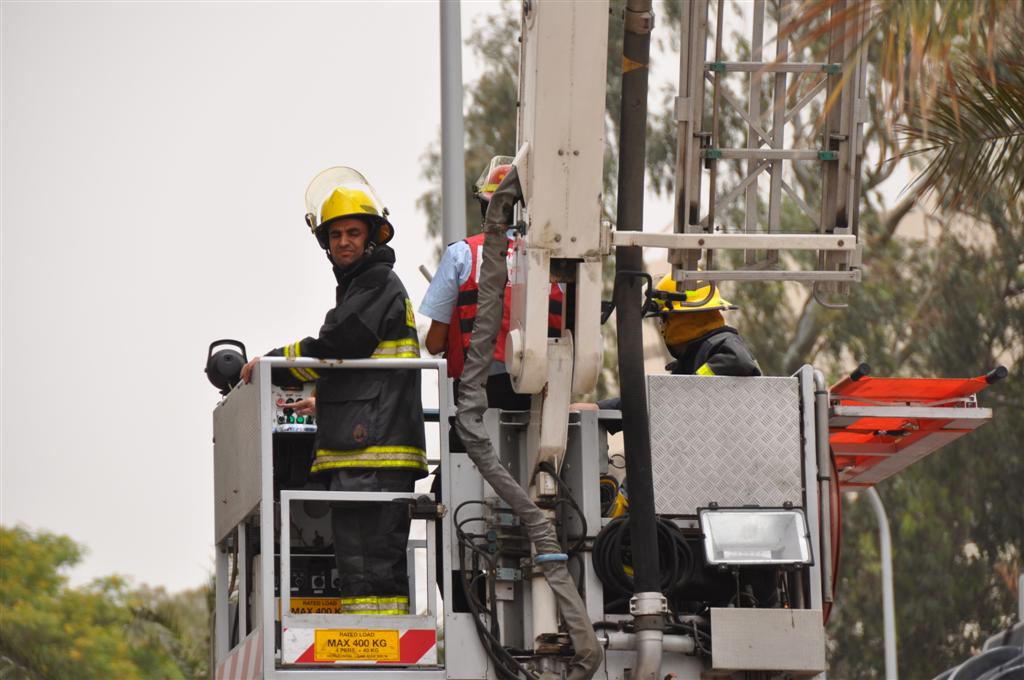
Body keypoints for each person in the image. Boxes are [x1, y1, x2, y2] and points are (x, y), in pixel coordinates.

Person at [240, 166, 426, 616]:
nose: (344, 241)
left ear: (372, 237)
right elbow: (368, 369)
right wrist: (325, 399)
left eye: (353, 233)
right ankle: (369, 648)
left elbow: (340, 344)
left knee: (377, 565)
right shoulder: (360, 287)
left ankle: (385, 654)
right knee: (356, 568)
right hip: (362, 450)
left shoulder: (379, 284)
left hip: (378, 452)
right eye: (336, 234)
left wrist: (274, 363)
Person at [420, 156, 563, 415]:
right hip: (544, 400)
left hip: (476, 399)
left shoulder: (462, 255)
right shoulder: (556, 262)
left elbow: (433, 343)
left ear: (486, 206)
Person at [578, 275, 761, 413]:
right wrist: (599, 409)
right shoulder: (693, 356)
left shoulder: (722, 343)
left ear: (683, 317)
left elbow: (740, 361)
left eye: (664, 319)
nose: (662, 327)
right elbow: (657, 402)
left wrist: (692, 384)